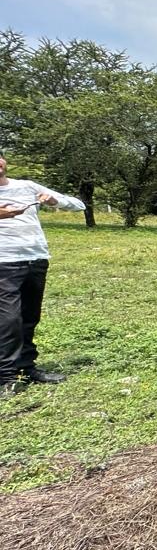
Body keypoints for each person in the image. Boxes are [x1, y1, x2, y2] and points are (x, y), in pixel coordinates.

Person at [0, 152, 85, 398]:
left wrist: (52, 201)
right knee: (8, 320)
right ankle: (6, 376)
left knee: (29, 316)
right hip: (3, 262)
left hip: (35, 258)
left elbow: (78, 203)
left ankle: (26, 368)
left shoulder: (26, 186)